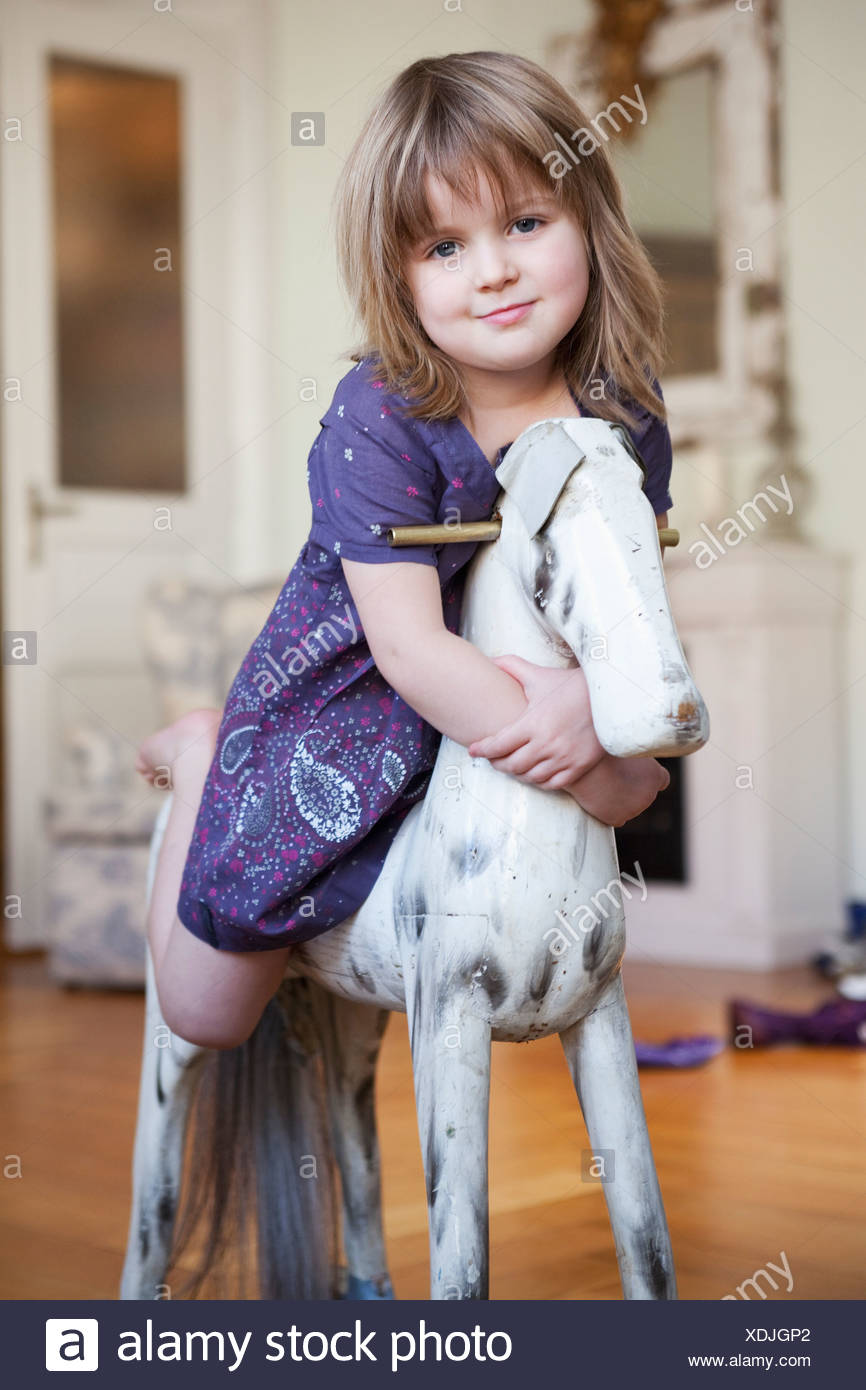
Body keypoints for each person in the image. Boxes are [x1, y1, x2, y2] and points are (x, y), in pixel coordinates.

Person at [134, 50, 673, 1051]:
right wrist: (599, 770)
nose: (494, 270)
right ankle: (203, 752)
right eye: (443, 247)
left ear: (587, 219)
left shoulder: (624, 413)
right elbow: (413, 652)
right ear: (398, 274)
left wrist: (591, 703)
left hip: (502, 711)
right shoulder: (378, 414)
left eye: (524, 223)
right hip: (346, 715)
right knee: (203, 1016)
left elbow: (628, 607)